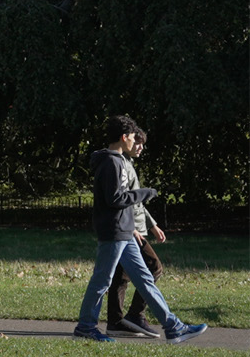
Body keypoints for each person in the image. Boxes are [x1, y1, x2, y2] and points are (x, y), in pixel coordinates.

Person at [74, 116, 206, 343]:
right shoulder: (111, 162)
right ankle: (86, 327)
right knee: (102, 280)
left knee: (145, 279)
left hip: (125, 231)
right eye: (134, 137)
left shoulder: (118, 161)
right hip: (114, 232)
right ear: (124, 137)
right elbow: (115, 198)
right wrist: (145, 193)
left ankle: (174, 327)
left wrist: (134, 227)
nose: (135, 142)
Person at [107, 129, 169, 338]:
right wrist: (131, 227)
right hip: (130, 230)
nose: (140, 147)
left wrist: (152, 225)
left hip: (136, 229)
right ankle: (134, 315)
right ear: (126, 140)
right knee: (154, 267)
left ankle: (116, 321)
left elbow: (137, 202)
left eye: (142, 143)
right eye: (137, 142)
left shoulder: (128, 164)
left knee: (120, 276)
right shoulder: (120, 164)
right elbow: (122, 200)